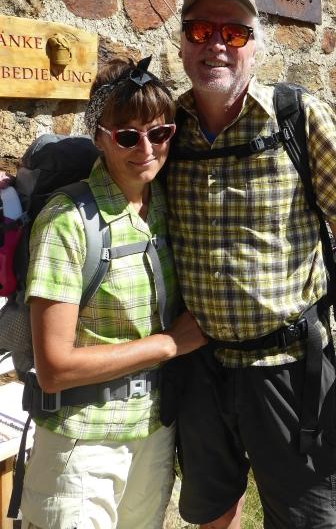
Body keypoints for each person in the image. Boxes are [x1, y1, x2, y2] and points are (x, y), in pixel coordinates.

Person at [166, 0, 336, 529]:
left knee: (308, 520)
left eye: (234, 33)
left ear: (255, 47)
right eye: (201, 30)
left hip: (288, 369)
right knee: (213, 512)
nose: (216, 44)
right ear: (183, 44)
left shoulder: (296, 117)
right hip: (201, 367)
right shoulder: (167, 131)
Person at [20, 57, 206, 529]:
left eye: (159, 133)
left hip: (153, 431)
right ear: (100, 137)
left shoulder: (165, 207)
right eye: (127, 137)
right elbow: (54, 368)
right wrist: (170, 343)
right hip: (82, 443)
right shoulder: (67, 222)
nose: (146, 149)